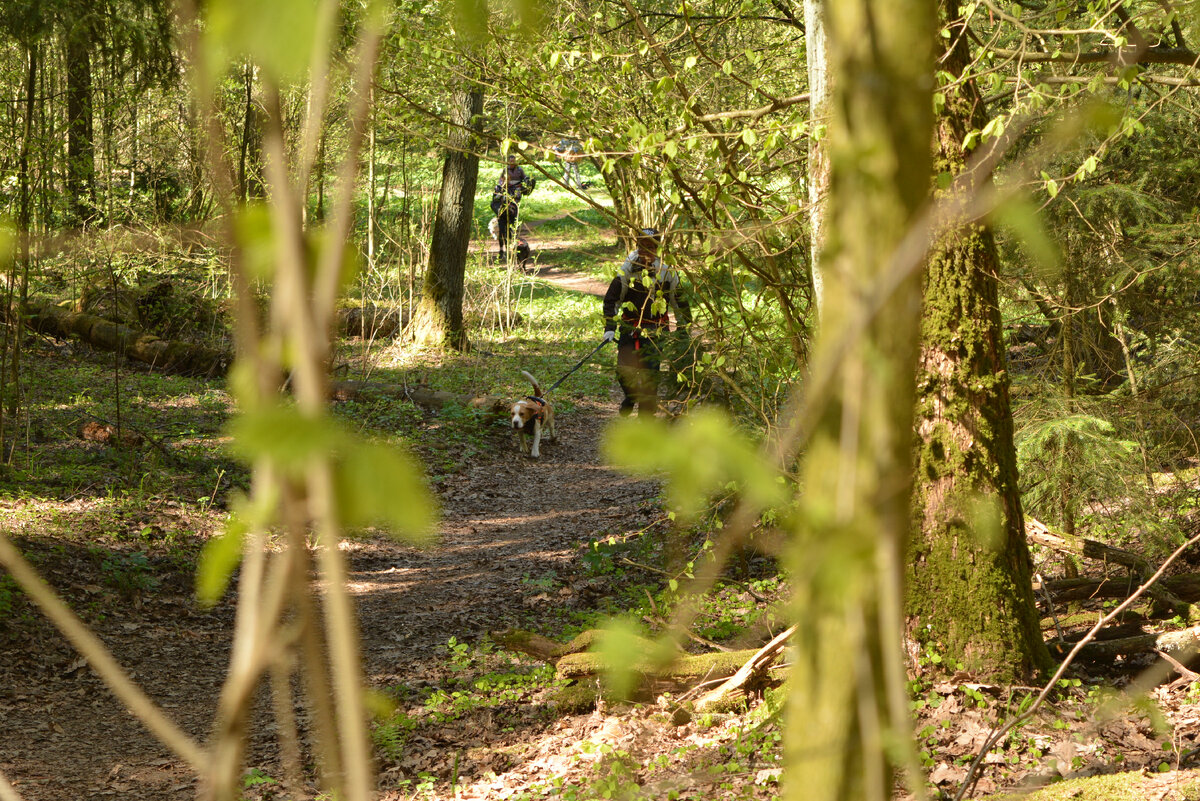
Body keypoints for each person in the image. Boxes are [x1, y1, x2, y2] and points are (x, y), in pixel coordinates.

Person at [602, 227, 692, 417]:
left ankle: (647, 418)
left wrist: (684, 331)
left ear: (658, 249)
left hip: (656, 330)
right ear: (638, 245)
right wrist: (610, 328)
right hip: (630, 327)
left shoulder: (667, 271)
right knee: (624, 371)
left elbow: (680, 303)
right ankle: (632, 396)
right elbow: (612, 300)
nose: (646, 251)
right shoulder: (627, 269)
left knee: (651, 376)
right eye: (643, 246)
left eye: (651, 247)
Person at [490, 155, 535, 261]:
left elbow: (525, 178)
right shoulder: (502, 179)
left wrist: (527, 182)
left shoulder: (519, 170)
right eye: (510, 161)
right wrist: (502, 189)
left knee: (513, 228)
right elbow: (496, 195)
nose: (512, 163)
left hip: (515, 197)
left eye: (513, 161)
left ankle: (514, 249)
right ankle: (502, 250)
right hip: (504, 204)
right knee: (502, 231)